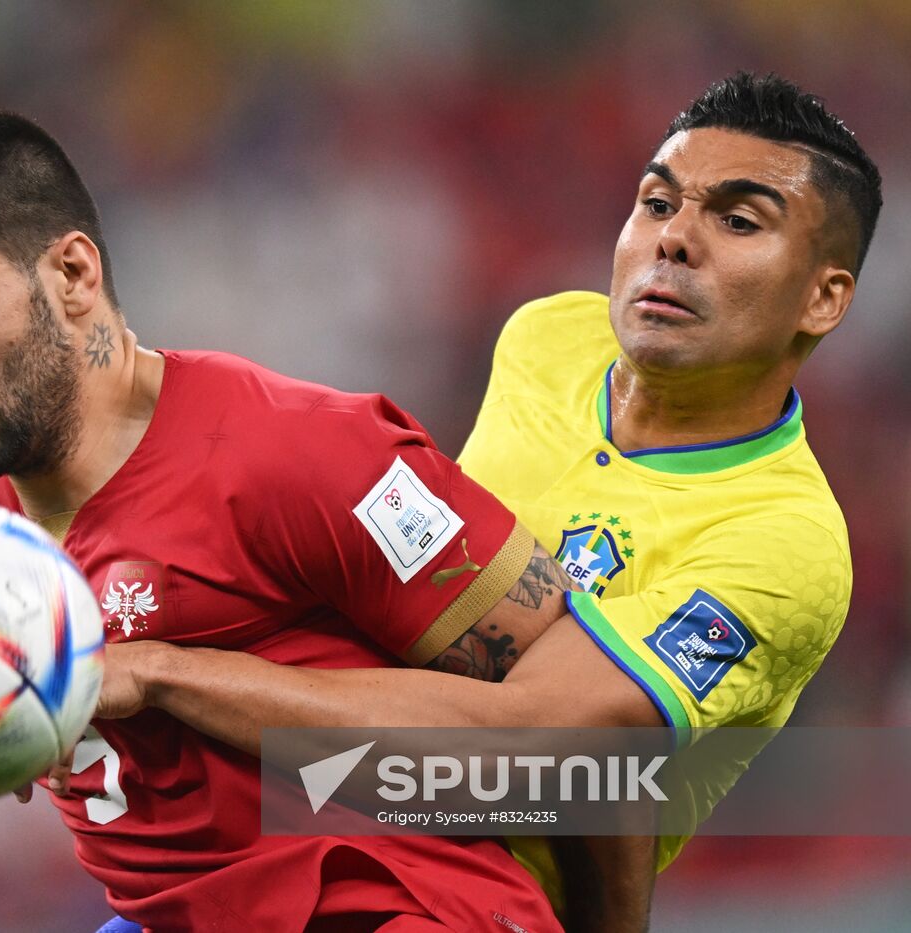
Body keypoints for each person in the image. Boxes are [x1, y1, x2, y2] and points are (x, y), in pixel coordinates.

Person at [87, 72, 882, 930]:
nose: (675, 240)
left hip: (447, 894)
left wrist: (165, 671)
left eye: (737, 220)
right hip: (290, 838)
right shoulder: (548, 338)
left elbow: (531, 749)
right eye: (657, 202)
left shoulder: (784, 541)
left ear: (823, 297)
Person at [0, 111, 575, 931]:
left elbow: (570, 756)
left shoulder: (299, 453)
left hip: (391, 905)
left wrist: (164, 675)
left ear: (73, 275)